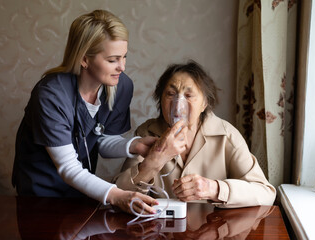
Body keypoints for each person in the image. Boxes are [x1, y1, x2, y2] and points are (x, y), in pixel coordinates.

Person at [11, 9, 186, 214]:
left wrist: (134, 145)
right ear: (84, 59)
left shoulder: (121, 86)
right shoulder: (51, 95)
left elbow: (101, 141)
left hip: (80, 191)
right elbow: (68, 168)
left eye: (124, 57)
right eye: (112, 60)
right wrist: (118, 196)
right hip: (40, 195)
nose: (121, 67)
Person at [114, 60, 276, 208]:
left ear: (205, 103)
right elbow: (118, 196)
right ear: (160, 99)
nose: (178, 105)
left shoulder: (226, 135)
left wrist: (214, 189)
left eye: (189, 95)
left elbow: (265, 193)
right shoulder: (146, 132)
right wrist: (155, 159)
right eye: (170, 94)